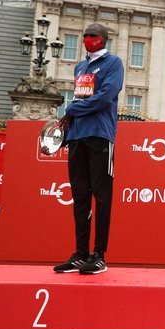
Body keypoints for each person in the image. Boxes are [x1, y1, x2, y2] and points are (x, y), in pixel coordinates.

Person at [52, 23, 124, 274]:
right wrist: (69, 125)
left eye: (93, 36)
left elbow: (106, 96)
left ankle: (99, 255)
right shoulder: (80, 67)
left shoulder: (114, 63)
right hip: (77, 136)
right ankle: (80, 254)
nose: (87, 39)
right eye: (85, 35)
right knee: (80, 197)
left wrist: (72, 109)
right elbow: (81, 97)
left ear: (104, 39)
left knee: (102, 198)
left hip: (101, 135)